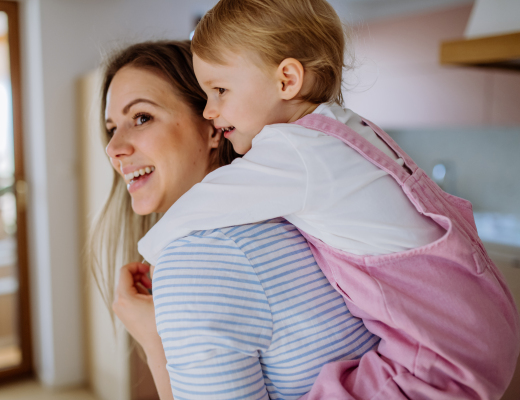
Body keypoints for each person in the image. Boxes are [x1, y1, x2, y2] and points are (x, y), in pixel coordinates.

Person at [137, 0, 520, 399]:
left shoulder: (295, 148)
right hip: (481, 325)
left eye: (219, 91)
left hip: (438, 354)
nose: (210, 111)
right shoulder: (344, 128)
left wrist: (153, 257)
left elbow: (207, 202)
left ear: (286, 79)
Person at [92, 40, 379, 400]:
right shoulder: (293, 217)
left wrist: (154, 340)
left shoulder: (194, 260)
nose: (113, 148)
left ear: (212, 125)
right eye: (111, 128)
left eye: (142, 117)